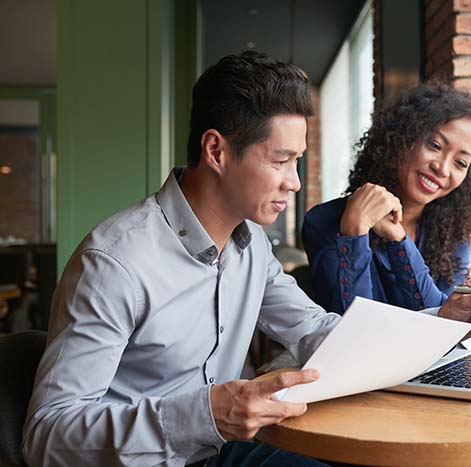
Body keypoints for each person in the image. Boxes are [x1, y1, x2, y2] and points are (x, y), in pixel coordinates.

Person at [22, 51, 341, 467]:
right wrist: (206, 415)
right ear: (216, 150)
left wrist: (418, 341)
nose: (294, 182)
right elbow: (47, 436)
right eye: (281, 161)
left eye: (296, 161)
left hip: (217, 455)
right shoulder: (113, 263)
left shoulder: (252, 245)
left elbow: (312, 327)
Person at [303, 81, 471, 337]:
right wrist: (353, 232)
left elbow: (439, 323)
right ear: (403, 138)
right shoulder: (324, 222)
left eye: (460, 162)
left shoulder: (453, 236)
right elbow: (354, 330)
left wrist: (398, 240)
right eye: (434, 146)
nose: (443, 169)